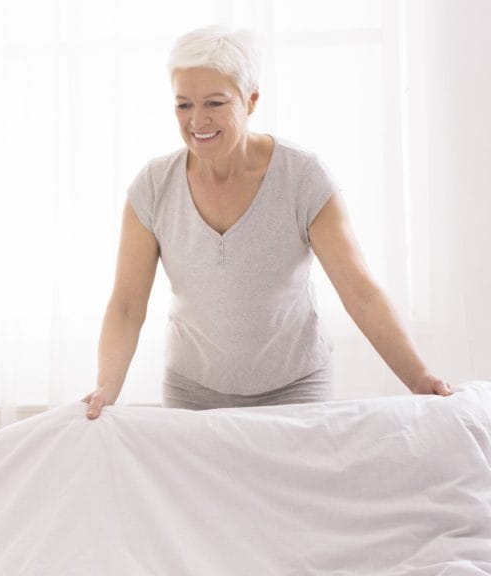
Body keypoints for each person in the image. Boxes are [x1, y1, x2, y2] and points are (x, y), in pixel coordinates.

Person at [83, 26, 451, 417]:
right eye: (184, 105)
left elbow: (360, 294)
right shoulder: (153, 186)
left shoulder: (303, 177)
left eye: (214, 102)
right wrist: (106, 387)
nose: (197, 120)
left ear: (251, 99)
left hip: (295, 388)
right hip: (192, 393)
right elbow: (126, 305)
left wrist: (418, 377)